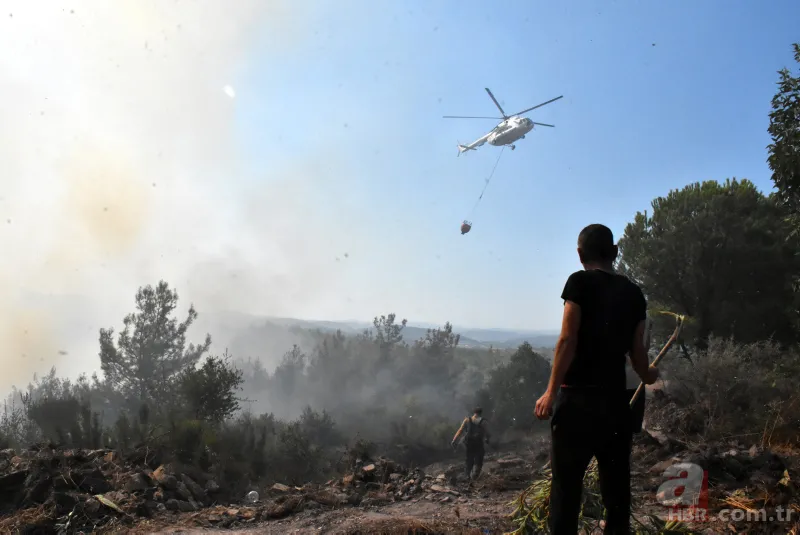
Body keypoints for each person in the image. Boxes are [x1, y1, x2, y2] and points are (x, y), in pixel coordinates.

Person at [534, 224, 659, 535]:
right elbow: (638, 353)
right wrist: (649, 375)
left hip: (576, 403)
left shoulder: (578, 283)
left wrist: (550, 392)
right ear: (615, 252)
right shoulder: (633, 292)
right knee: (616, 494)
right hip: (616, 406)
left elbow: (567, 339)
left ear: (580, 255)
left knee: (566, 490)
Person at [451, 407, 491, 482]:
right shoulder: (483, 421)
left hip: (469, 443)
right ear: (481, 413)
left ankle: (467, 476)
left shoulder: (467, 420)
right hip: (478, 443)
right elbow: (487, 433)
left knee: (469, 459)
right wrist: (487, 439)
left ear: (474, 412)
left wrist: (454, 440)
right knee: (479, 459)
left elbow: (460, 430)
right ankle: (474, 477)